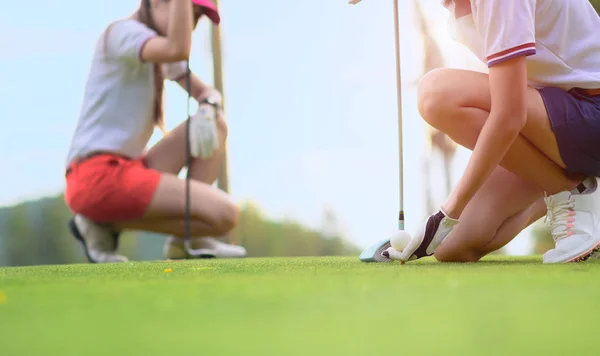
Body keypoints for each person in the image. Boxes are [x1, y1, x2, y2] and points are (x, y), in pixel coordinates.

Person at [384, 0, 600, 264]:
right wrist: (447, 224)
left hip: (591, 111)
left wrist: (447, 214)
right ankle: (574, 189)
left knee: (436, 94)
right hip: (556, 121)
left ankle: (572, 191)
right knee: (452, 247)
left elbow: (509, 115)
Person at [64, 0, 247, 263]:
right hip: (96, 176)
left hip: (127, 169)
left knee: (215, 124)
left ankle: (185, 240)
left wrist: (209, 106)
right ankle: (104, 223)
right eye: (187, 13)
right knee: (225, 214)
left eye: (195, 19)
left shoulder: (153, 47)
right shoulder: (124, 33)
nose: (191, 27)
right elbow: (177, 48)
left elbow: (207, 92)